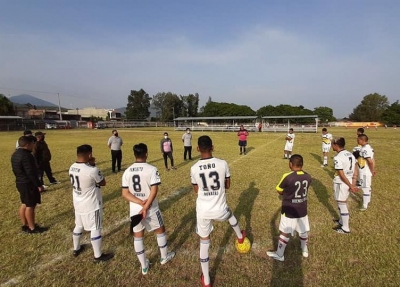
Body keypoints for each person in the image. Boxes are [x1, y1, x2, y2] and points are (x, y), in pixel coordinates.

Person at [190, 135, 247, 287]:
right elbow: (227, 185)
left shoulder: (194, 168)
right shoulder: (222, 164)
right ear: (213, 147)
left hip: (203, 210)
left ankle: (207, 280)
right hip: (220, 209)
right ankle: (240, 237)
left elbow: (196, 190)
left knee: (204, 241)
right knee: (230, 215)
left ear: (197, 149)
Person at [122, 143, 175, 275]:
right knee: (160, 230)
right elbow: (154, 190)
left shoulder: (127, 171)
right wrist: (145, 206)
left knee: (138, 236)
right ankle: (164, 257)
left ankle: (144, 265)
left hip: (135, 209)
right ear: (146, 153)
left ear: (134, 154)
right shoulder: (152, 169)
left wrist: (140, 203)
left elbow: (125, 193)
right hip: (151, 207)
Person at [69, 144, 114, 262]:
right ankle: (98, 256)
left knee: (78, 225)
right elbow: (103, 182)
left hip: (78, 202)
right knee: (95, 228)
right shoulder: (92, 170)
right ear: (89, 155)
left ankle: (76, 248)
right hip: (91, 203)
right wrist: (93, 165)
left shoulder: (72, 167)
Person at [267, 154, 311, 262]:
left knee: (285, 232)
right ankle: (304, 250)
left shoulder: (288, 176)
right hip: (302, 208)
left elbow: (279, 189)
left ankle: (279, 254)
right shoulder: (308, 176)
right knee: (303, 230)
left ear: (290, 164)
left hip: (289, 209)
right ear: (302, 164)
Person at [11, 135, 46, 233]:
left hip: (20, 182)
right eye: (32, 144)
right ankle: (32, 227)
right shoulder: (27, 156)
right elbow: (30, 172)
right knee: (30, 205)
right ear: (27, 145)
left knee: (24, 203)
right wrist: (38, 185)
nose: (33, 146)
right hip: (28, 184)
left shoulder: (15, 154)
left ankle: (25, 224)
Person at [331, 137, 358, 234]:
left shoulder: (338, 158)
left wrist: (351, 186)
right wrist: (353, 182)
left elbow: (341, 174)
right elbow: (355, 169)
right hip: (349, 181)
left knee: (342, 204)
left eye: (332, 144)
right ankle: (341, 221)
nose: (331, 146)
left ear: (336, 145)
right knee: (340, 202)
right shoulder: (350, 154)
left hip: (342, 183)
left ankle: (345, 228)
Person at [357, 134, 376, 211]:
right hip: (365, 171)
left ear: (362, 140)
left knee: (365, 187)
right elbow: (373, 159)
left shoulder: (365, 149)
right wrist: (373, 170)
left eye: (358, 139)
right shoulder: (368, 147)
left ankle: (365, 205)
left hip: (364, 172)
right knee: (367, 186)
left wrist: (372, 170)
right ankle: (368, 200)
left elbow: (370, 161)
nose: (357, 141)